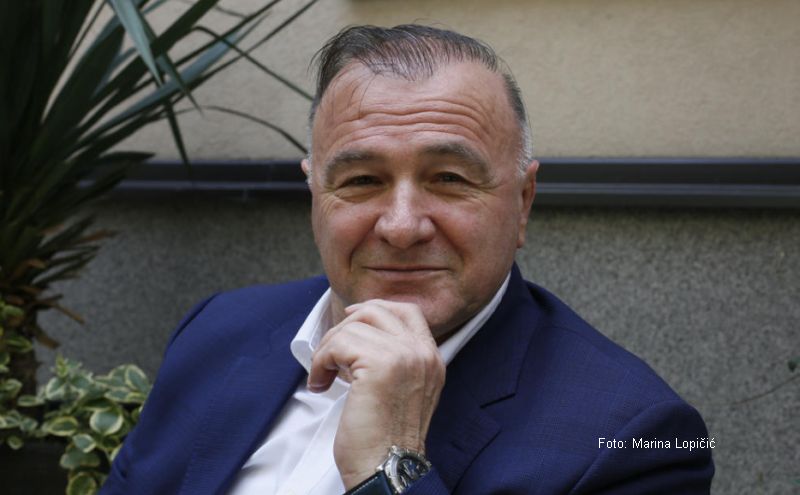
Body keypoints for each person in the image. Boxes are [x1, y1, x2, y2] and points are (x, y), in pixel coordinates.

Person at [102, 25, 714, 494]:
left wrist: (389, 465)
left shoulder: (635, 439)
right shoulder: (217, 330)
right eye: (362, 180)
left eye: (448, 179)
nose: (400, 227)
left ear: (522, 202)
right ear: (314, 194)